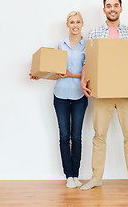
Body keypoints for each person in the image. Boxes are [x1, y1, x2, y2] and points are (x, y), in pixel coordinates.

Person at [80, 0, 128, 190]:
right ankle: (96, 178)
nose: (112, 9)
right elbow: (88, 61)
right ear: (104, 10)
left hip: (126, 92)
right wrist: (83, 81)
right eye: (108, 6)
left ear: (121, 9)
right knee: (99, 135)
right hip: (102, 92)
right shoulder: (94, 32)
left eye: (116, 6)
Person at [31, 11, 88, 188]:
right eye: (72, 22)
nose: (75, 25)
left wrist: (73, 75)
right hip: (60, 95)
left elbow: (90, 71)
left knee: (76, 136)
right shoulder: (60, 44)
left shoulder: (88, 45)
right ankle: (68, 176)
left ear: (82, 24)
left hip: (79, 96)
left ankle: (76, 174)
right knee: (64, 135)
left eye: (78, 22)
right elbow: (55, 69)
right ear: (67, 25)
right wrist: (39, 74)